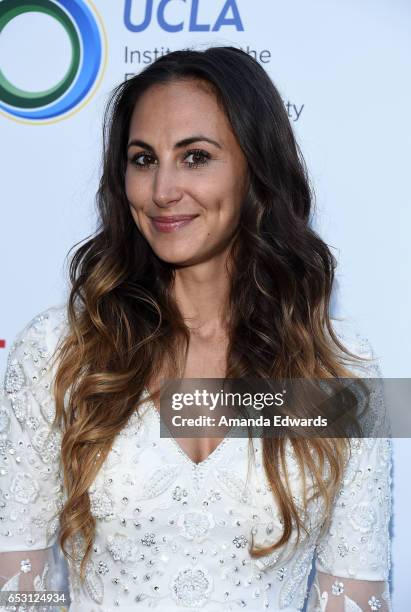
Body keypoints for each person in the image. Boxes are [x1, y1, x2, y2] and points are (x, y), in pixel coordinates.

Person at [0, 46, 391, 611]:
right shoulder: (61, 351)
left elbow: (353, 594)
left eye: (195, 157)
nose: (162, 190)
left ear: (255, 168)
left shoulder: (336, 367)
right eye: (142, 159)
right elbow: (19, 581)